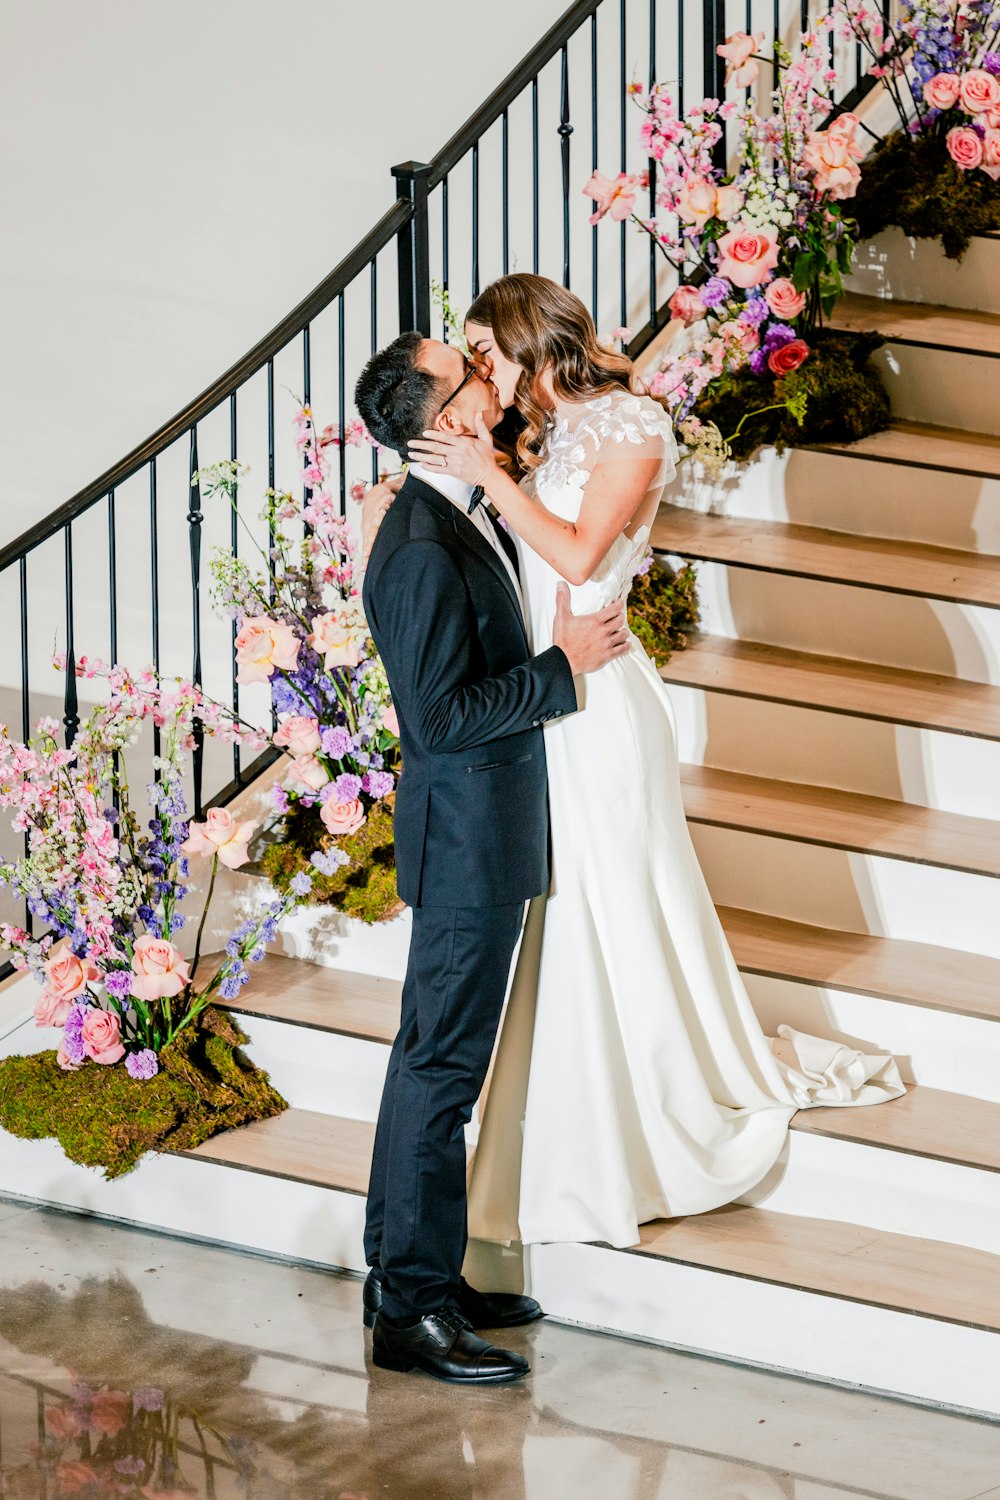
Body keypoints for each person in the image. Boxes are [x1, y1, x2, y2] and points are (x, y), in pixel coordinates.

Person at [402, 272, 904, 1251]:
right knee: (559, 906)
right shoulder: (548, 435)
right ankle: (560, 1109)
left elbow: (585, 558)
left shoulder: (629, 424)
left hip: (600, 705)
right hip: (551, 692)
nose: (481, 374)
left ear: (528, 344)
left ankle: (640, 1113)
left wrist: (491, 476)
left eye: (487, 353)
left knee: (610, 902)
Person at [353, 330, 630, 1384]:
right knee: (440, 1073)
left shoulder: (442, 512)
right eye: (469, 372)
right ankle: (411, 1313)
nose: (490, 372)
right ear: (451, 420)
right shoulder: (421, 540)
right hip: (466, 837)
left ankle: (413, 1274)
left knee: (428, 1062)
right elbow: (440, 720)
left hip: (477, 833)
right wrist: (561, 669)